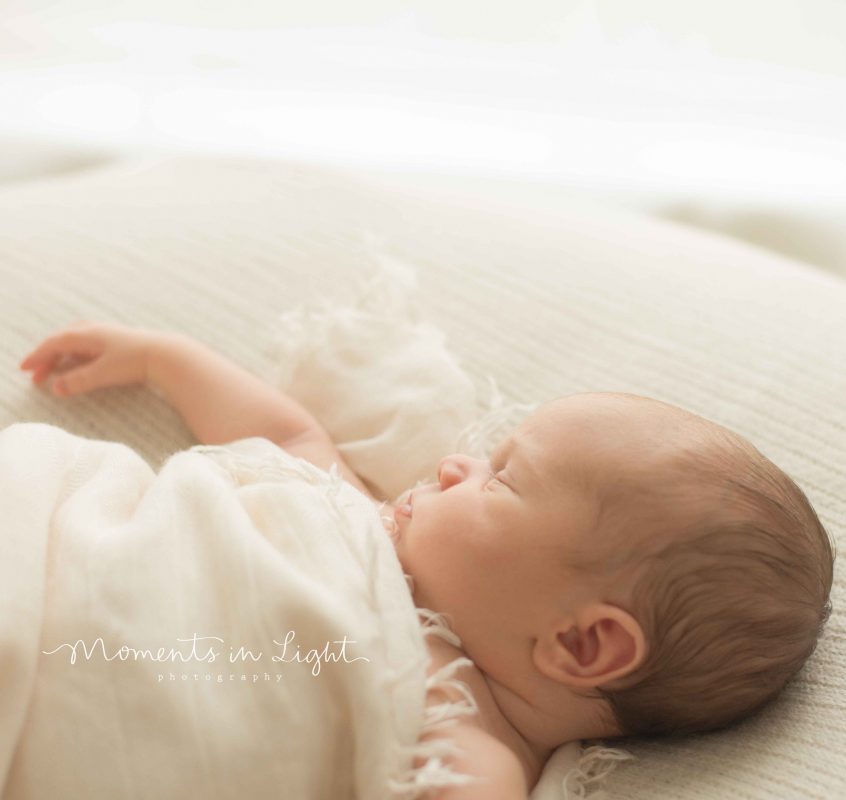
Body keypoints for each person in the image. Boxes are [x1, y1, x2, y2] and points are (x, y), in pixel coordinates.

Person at [19, 321, 836, 799]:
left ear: (583, 645)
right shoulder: (366, 522)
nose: (455, 466)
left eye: (502, 477)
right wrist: (167, 358)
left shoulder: (469, 744)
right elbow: (287, 439)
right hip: (49, 537)